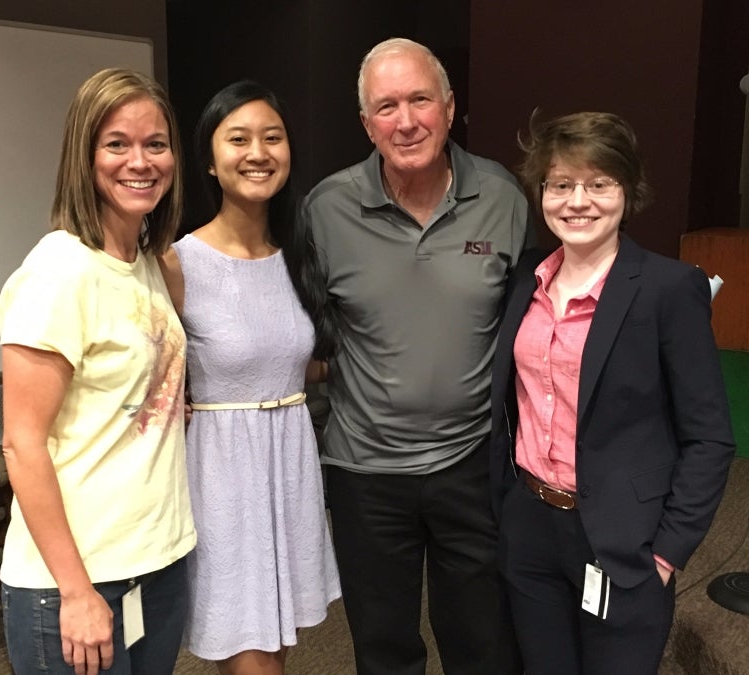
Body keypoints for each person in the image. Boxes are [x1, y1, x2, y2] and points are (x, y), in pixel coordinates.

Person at [302, 38, 529, 675]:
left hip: (472, 462)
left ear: (450, 108)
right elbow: (303, 334)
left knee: (483, 641)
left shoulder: (503, 198)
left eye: (420, 100)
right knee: (384, 647)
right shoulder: (326, 211)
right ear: (366, 124)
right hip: (364, 471)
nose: (406, 121)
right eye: (387, 106)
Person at [490, 111, 736, 674]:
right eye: (561, 184)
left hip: (625, 538)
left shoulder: (669, 289)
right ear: (542, 192)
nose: (578, 201)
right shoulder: (523, 279)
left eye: (599, 183)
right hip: (529, 523)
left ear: (628, 190)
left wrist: (669, 551)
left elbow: (710, 437)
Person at [0, 68, 193, 675]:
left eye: (155, 144)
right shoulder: (58, 272)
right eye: (117, 144)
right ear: (84, 157)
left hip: (154, 560)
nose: (141, 161)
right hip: (74, 579)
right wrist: (77, 592)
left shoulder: (151, 264)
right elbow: (21, 443)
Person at [159, 80, 341, 675]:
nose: (257, 152)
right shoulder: (178, 262)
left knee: (277, 645)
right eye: (238, 139)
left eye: (273, 137)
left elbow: (302, 360)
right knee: (248, 652)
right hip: (222, 472)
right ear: (209, 161)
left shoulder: (298, 254)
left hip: (288, 460)